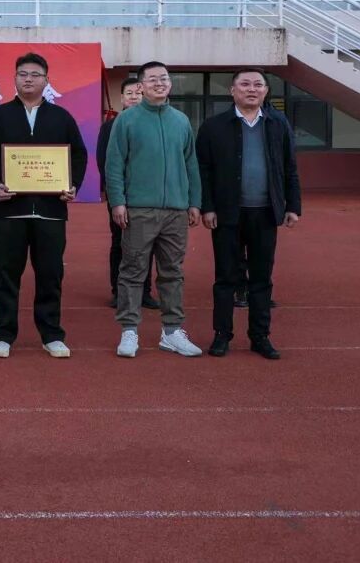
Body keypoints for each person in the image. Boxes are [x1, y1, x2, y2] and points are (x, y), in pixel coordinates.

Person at [0, 53, 88, 359]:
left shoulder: (61, 117)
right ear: (14, 79)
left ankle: (51, 334)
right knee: (5, 274)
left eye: (35, 74)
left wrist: (72, 184)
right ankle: (3, 334)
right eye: (22, 74)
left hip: (50, 212)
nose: (28, 79)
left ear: (46, 80)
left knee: (50, 274)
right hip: (8, 211)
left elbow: (78, 155)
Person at [196, 70, 302, 361]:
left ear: (266, 91)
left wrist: (292, 205)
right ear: (232, 90)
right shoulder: (214, 126)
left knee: (261, 278)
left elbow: (289, 167)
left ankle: (260, 336)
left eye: (258, 85)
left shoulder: (278, 123)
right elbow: (203, 170)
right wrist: (207, 207)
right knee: (225, 278)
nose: (251, 89)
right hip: (227, 214)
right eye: (244, 84)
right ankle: (222, 335)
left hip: (265, 213)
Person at [105, 61, 203, 359]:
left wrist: (194, 201)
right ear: (141, 86)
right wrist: (118, 201)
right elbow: (114, 163)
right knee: (133, 271)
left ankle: (172, 331)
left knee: (172, 272)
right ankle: (129, 330)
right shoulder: (127, 120)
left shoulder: (181, 121)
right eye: (153, 79)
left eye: (164, 78)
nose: (159, 83)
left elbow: (191, 163)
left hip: (176, 211)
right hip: (139, 210)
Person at [95, 77, 156, 311]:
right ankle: (118, 291)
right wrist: (115, 195)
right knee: (119, 243)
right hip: (120, 196)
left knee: (147, 244)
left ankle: (145, 291)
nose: (134, 97)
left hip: (148, 197)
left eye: (138, 93)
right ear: (121, 98)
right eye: (129, 94)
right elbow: (104, 162)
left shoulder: (153, 123)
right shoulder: (110, 127)